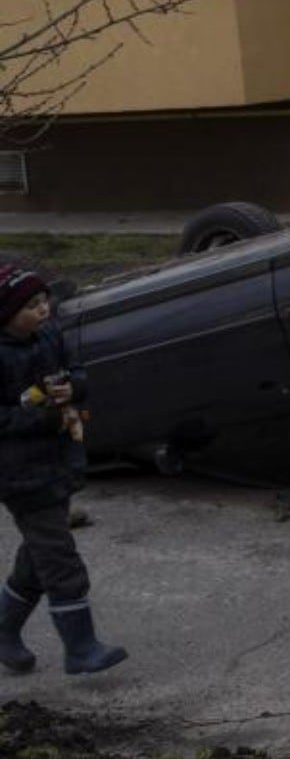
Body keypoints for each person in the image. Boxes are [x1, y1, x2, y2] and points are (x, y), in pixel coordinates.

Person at [0, 265, 127, 674]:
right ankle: (81, 647)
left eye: (44, 302)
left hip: (58, 459)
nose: (43, 310)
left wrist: (73, 388)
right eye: (31, 306)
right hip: (19, 474)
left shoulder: (50, 335)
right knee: (59, 558)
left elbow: (77, 371)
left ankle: (3, 629)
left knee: (40, 553)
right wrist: (44, 418)